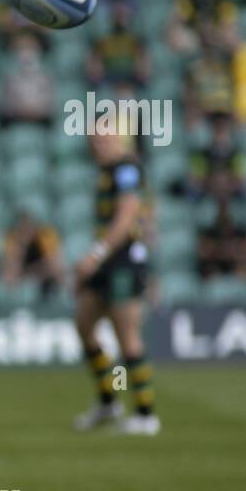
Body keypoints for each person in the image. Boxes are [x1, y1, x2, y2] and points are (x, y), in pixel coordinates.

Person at [72, 123, 159, 435]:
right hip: (107, 262)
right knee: (84, 324)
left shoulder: (126, 170)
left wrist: (95, 255)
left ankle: (146, 415)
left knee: (127, 336)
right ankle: (109, 402)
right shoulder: (106, 171)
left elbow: (126, 218)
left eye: (104, 136)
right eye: (94, 137)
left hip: (122, 261)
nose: (98, 142)